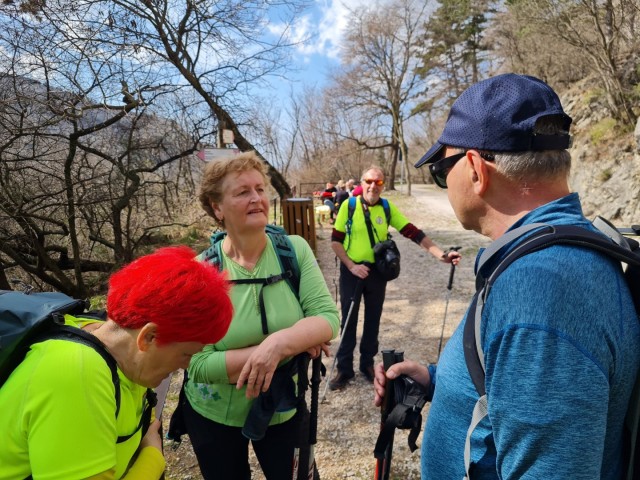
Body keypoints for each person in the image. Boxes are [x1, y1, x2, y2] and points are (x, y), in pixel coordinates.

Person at [373, 73, 640, 479]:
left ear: (477, 170)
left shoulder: (540, 289)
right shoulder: (553, 257)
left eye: (443, 169)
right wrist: (438, 380)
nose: (444, 183)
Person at [0, 246, 234, 480]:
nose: (187, 366)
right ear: (149, 337)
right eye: (187, 354)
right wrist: (154, 456)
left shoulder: (123, 351)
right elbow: (149, 437)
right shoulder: (76, 373)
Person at [184, 152, 340, 479]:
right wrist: (289, 347)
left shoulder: (293, 250)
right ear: (217, 207)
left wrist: (280, 344)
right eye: (242, 192)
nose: (257, 198)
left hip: (285, 407)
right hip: (215, 415)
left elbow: (326, 318)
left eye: (260, 189)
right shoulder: (201, 272)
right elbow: (197, 364)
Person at [329, 166, 461, 390]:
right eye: (369, 181)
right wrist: (352, 266)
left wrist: (442, 255)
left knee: (373, 319)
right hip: (352, 272)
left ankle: (367, 365)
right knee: (348, 321)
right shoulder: (348, 206)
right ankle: (344, 369)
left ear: (383, 184)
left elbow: (413, 232)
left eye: (379, 183)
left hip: (377, 273)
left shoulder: (387, 208)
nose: (373, 186)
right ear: (363, 182)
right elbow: (335, 241)